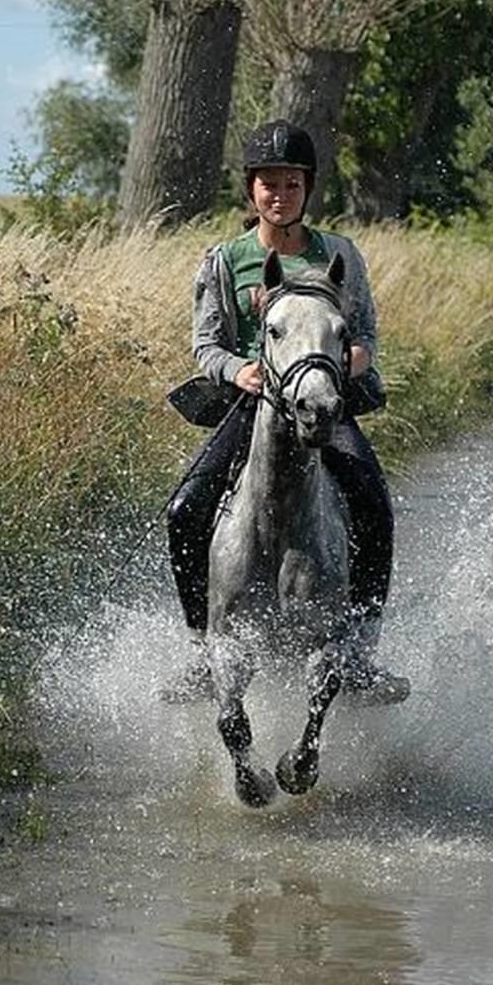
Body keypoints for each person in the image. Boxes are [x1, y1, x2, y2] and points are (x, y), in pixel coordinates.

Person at [164, 119, 409, 704]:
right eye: (269, 183)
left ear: (307, 189)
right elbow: (207, 342)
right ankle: (203, 649)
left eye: (292, 183)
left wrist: (353, 358)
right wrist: (236, 370)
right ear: (251, 191)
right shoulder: (224, 261)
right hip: (254, 405)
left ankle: (357, 655)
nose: (280, 194)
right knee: (184, 509)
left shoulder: (340, 255)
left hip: (323, 402)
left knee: (373, 502)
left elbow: (365, 328)